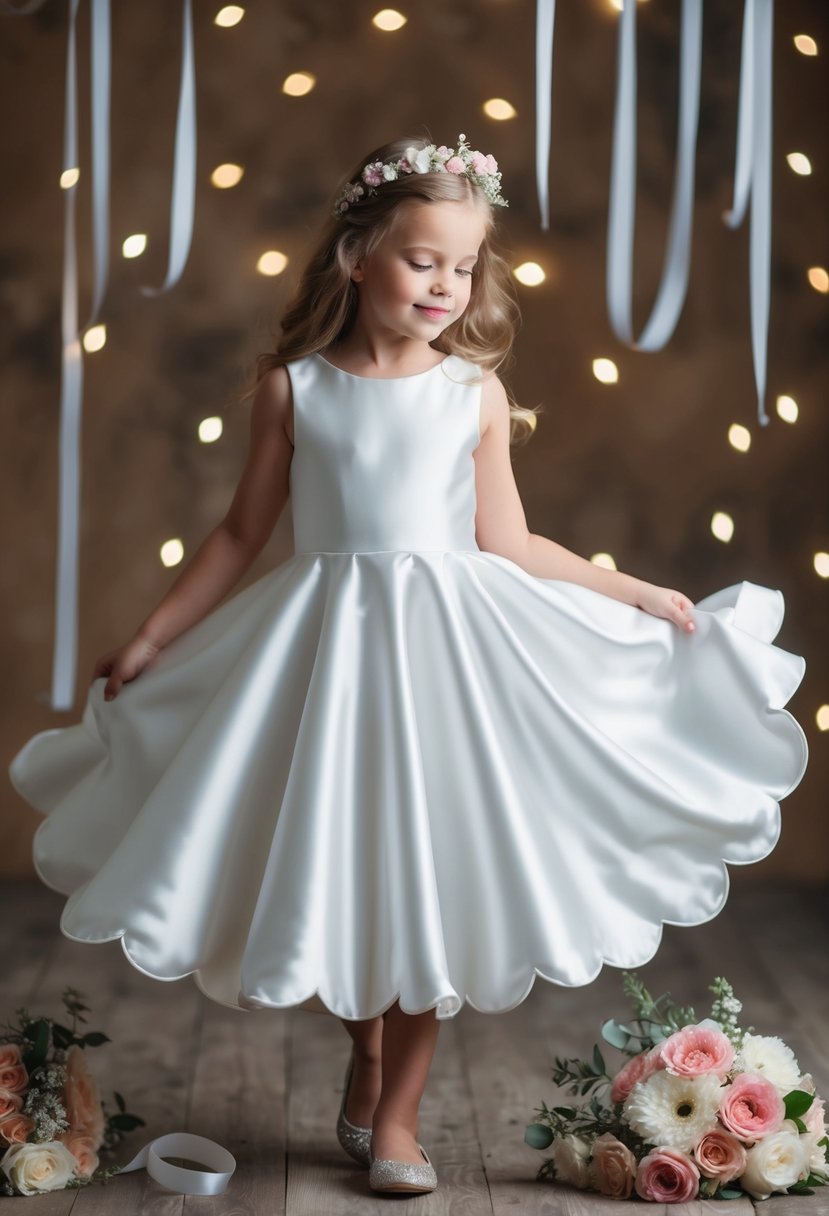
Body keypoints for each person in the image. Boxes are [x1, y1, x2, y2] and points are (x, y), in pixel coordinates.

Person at [9, 133, 808, 1197]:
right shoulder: (295, 390)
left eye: (464, 265)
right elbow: (242, 534)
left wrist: (637, 595)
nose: (445, 282)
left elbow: (510, 543)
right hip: (322, 655)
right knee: (337, 871)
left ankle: (395, 1117)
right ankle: (366, 1046)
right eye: (422, 257)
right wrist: (154, 636)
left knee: (426, 880)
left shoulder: (470, 392)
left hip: (447, 658)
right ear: (356, 257)